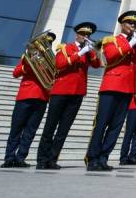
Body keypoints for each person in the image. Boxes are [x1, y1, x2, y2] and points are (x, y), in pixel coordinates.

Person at [86, 11, 136, 171]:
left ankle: (104, 157)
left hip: (128, 89)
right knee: (102, 124)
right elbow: (111, 56)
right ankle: (93, 158)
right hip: (111, 86)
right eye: (130, 23)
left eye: (135, 24)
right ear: (122, 24)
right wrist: (130, 44)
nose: (133, 26)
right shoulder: (111, 40)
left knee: (116, 126)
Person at [37, 22, 100, 169]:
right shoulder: (65, 48)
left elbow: (97, 65)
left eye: (88, 35)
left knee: (63, 129)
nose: (86, 37)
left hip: (77, 93)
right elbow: (60, 65)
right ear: (77, 34)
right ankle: (41, 160)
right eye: (83, 34)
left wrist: (91, 52)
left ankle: (52, 159)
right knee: (50, 127)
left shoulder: (87, 51)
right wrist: (80, 53)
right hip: (60, 92)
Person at [2, 31, 56, 168]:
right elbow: (15, 73)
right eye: (45, 42)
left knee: (30, 131)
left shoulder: (52, 61)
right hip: (25, 96)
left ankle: (21, 158)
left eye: (49, 43)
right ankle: (9, 158)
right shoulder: (28, 57)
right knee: (16, 128)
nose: (47, 45)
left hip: (42, 97)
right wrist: (29, 65)